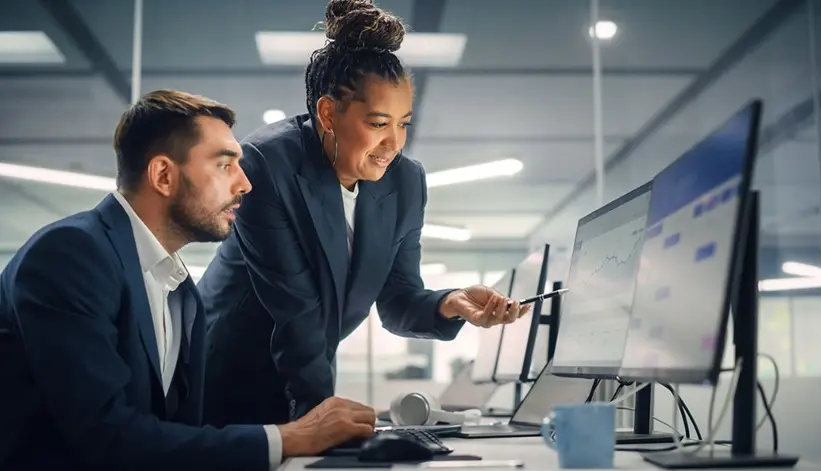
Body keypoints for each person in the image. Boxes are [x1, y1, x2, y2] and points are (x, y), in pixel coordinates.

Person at [0, 90, 376, 470]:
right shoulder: (71, 255)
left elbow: (173, 437)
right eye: (225, 165)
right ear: (164, 175)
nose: (245, 184)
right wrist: (289, 437)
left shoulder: (180, 291)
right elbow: (105, 436)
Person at [197, 0, 531, 428]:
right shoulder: (268, 164)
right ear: (328, 113)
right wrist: (323, 420)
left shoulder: (404, 182)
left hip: (304, 368)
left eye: (403, 123)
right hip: (225, 379)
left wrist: (450, 304)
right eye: (378, 124)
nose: (394, 143)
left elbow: (397, 298)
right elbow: (297, 314)